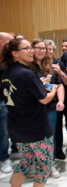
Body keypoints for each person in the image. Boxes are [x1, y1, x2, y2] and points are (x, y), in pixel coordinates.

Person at [0, 38, 58, 187]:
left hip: (17, 128)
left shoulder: (7, 73)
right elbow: (44, 99)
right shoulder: (27, 74)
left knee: (25, 161)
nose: (31, 51)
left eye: (30, 47)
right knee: (45, 165)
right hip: (35, 128)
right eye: (27, 48)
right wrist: (55, 89)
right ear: (15, 53)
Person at [29, 38, 65, 178]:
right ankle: (33, 162)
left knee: (50, 137)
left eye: (43, 48)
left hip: (50, 107)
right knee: (33, 137)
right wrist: (38, 83)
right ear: (31, 49)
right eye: (38, 48)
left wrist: (61, 100)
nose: (41, 51)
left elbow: (59, 85)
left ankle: (50, 164)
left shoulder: (50, 66)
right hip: (32, 108)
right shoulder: (27, 67)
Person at [0, 32, 16, 174]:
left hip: (14, 100)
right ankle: (4, 157)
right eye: (10, 41)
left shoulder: (10, 60)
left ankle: (16, 147)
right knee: (4, 133)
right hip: (2, 101)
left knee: (13, 127)